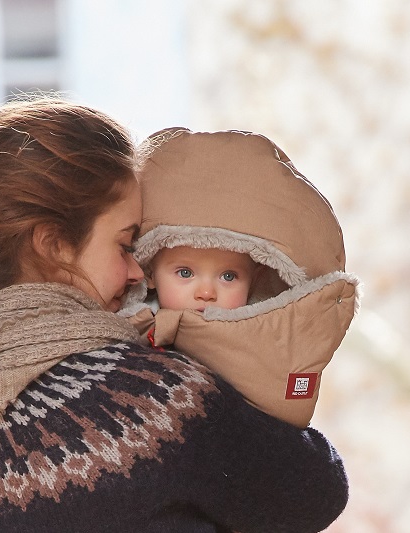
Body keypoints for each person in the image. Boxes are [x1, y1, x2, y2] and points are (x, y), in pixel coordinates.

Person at [0, 98, 349, 532]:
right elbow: (316, 492)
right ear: (53, 243)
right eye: (124, 244)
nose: (138, 272)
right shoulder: (152, 402)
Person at [120, 127, 362, 428]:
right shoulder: (128, 328)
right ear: (150, 274)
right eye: (185, 273)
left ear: (255, 279)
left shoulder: (268, 339)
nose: (206, 292)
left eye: (228, 276)